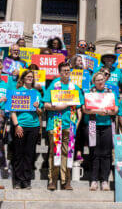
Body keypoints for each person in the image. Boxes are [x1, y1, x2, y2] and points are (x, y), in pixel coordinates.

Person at [43, 61, 84, 190]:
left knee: (68, 153)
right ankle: (53, 180)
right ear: (59, 72)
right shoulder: (54, 85)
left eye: (68, 70)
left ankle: (66, 181)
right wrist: (58, 106)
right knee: (55, 152)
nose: (66, 73)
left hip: (70, 124)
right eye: (64, 70)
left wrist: (77, 123)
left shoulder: (75, 87)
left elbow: (79, 109)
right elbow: (45, 105)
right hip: (55, 123)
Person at [83, 71, 117, 190]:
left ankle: (105, 180)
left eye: (102, 79)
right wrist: (98, 112)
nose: (101, 81)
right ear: (94, 82)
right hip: (93, 125)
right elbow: (85, 110)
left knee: (107, 154)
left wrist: (108, 112)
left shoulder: (110, 92)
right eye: (98, 80)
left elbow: (116, 109)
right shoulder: (89, 92)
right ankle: (94, 180)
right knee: (94, 153)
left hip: (107, 125)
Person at [10, 70, 43, 189]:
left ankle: (27, 180)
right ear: (23, 78)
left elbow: (40, 112)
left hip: (33, 126)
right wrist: (16, 125)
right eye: (28, 77)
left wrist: (37, 107)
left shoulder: (36, 93)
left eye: (31, 77)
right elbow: (12, 111)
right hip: (21, 125)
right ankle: (18, 180)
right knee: (18, 154)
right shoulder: (16, 92)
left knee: (30, 154)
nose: (30, 78)